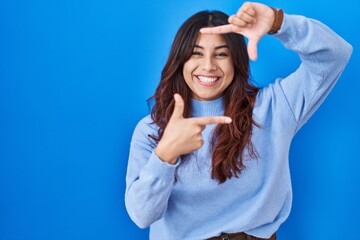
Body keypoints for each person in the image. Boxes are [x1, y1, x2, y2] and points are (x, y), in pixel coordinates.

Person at [125, 2, 352, 240]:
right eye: (196, 53)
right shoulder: (152, 129)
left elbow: (334, 54)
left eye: (221, 54)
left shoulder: (274, 107)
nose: (208, 66)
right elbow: (142, 215)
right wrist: (165, 154)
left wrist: (279, 23)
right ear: (180, 61)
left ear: (236, 61)